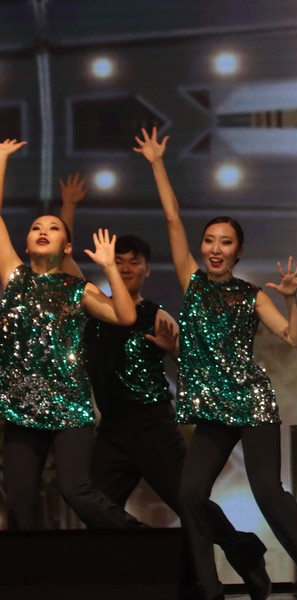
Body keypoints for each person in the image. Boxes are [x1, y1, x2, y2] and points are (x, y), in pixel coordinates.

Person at [134, 127, 297, 600]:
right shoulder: (192, 281)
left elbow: (294, 339)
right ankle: (212, 587)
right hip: (212, 410)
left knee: (268, 492)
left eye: (226, 242)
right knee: (190, 494)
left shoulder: (251, 295)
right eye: (209, 240)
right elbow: (172, 217)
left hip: (251, 403)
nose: (215, 248)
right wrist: (156, 163)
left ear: (238, 251)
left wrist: (292, 299)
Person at [0, 139, 143, 531]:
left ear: (67, 246)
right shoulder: (15, 276)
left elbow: (126, 315)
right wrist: (1, 160)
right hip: (21, 407)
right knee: (21, 504)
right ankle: (28, 570)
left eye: (53, 228)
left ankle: (140, 538)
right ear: (26, 243)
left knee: (77, 491)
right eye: (36, 227)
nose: (42, 231)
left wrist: (110, 267)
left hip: (69, 407)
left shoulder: (77, 288)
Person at [56, 173, 185, 517]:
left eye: (134, 262)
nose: (126, 268)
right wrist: (68, 206)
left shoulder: (157, 315)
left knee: (191, 504)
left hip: (152, 425)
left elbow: (192, 361)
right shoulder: (95, 305)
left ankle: (240, 545)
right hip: (112, 427)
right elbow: (64, 263)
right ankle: (138, 542)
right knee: (94, 507)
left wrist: (172, 350)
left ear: (147, 270)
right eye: (120, 261)